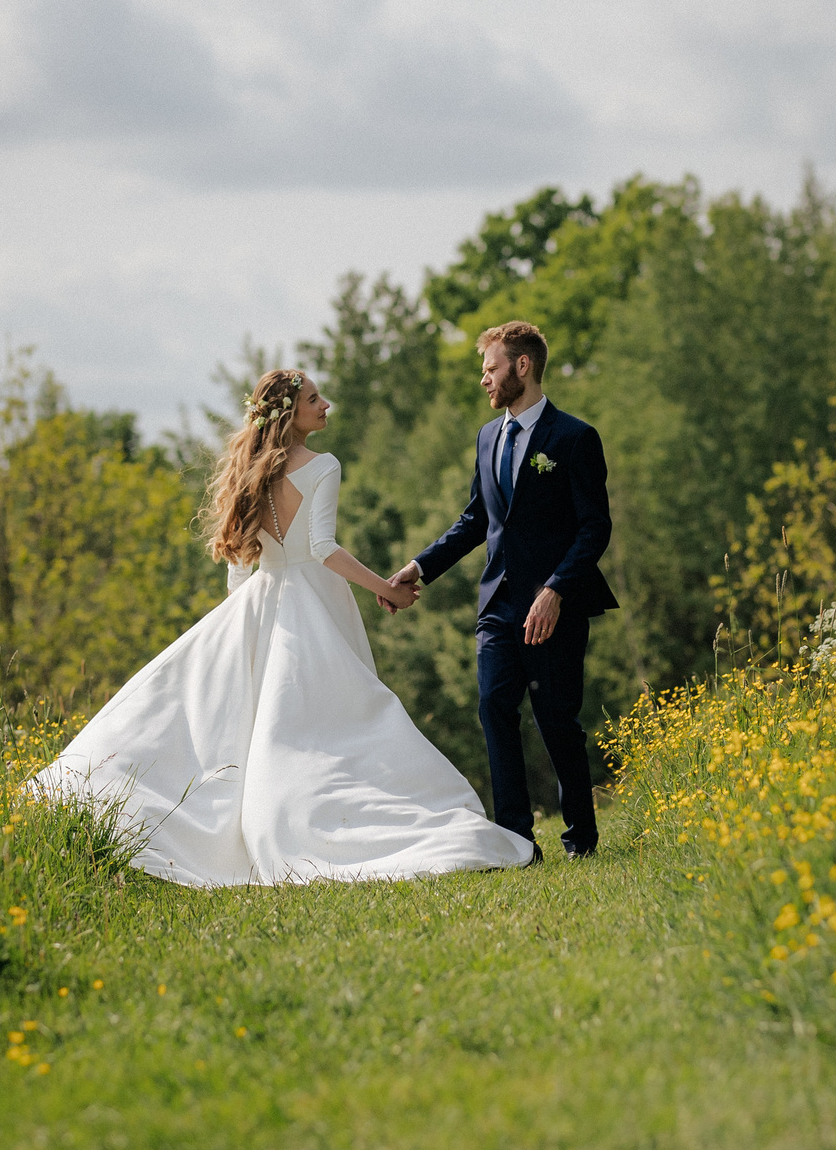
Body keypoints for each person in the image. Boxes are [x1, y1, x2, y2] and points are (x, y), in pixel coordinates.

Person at [29, 369, 534, 886]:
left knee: (256, 723)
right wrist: (383, 586)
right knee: (333, 720)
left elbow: (238, 569)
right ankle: (318, 823)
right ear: (289, 414)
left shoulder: (249, 471)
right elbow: (321, 548)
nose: (327, 404)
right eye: (315, 399)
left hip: (259, 601)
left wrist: (242, 621)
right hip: (310, 603)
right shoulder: (321, 466)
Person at [390, 320, 616, 860]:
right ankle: (516, 838)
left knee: (557, 721)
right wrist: (419, 567)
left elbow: (595, 527)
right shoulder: (488, 437)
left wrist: (557, 589)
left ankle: (580, 839)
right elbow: (475, 520)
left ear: (522, 366)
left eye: (490, 368)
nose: (484, 380)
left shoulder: (574, 438)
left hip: (555, 607)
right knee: (494, 707)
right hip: (497, 605)